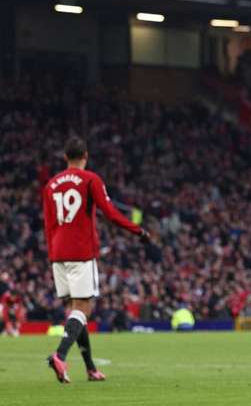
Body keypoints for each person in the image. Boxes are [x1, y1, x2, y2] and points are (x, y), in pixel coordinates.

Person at [42, 136, 150, 383]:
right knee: (84, 308)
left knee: (76, 311)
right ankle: (60, 355)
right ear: (86, 156)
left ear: (65, 157)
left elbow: (48, 225)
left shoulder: (50, 185)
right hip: (81, 252)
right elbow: (110, 214)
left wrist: (53, 254)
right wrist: (138, 231)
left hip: (58, 254)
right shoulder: (91, 179)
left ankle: (90, 368)